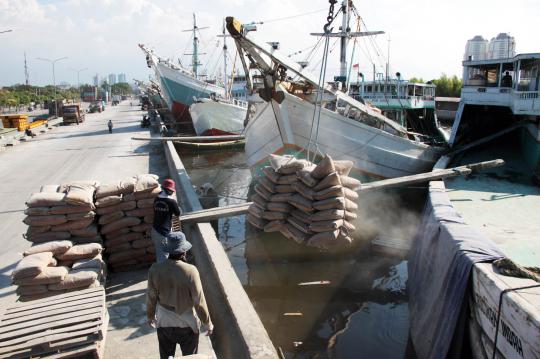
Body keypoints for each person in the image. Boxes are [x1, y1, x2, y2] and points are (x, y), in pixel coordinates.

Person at [146, 232, 213, 359]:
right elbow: (199, 301)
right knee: (189, 357)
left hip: (164, 321)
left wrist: (150, 316)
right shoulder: (191, 271)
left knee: (165, 356)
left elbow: (151, 296)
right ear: (184, 252)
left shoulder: (155, 269)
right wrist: (207, 323)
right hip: (187, 323)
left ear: (168, 251)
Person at [152, 178, 181, 262]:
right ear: (165, 189)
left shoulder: (156, 198)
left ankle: (161, 271)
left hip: (155, 229)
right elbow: (178, 213)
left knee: (159, 253)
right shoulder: (171, 202)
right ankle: (164, 273)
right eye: (170, 190)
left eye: (172, 190)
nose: (172, 192)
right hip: (163, 232)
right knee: (164, 256)